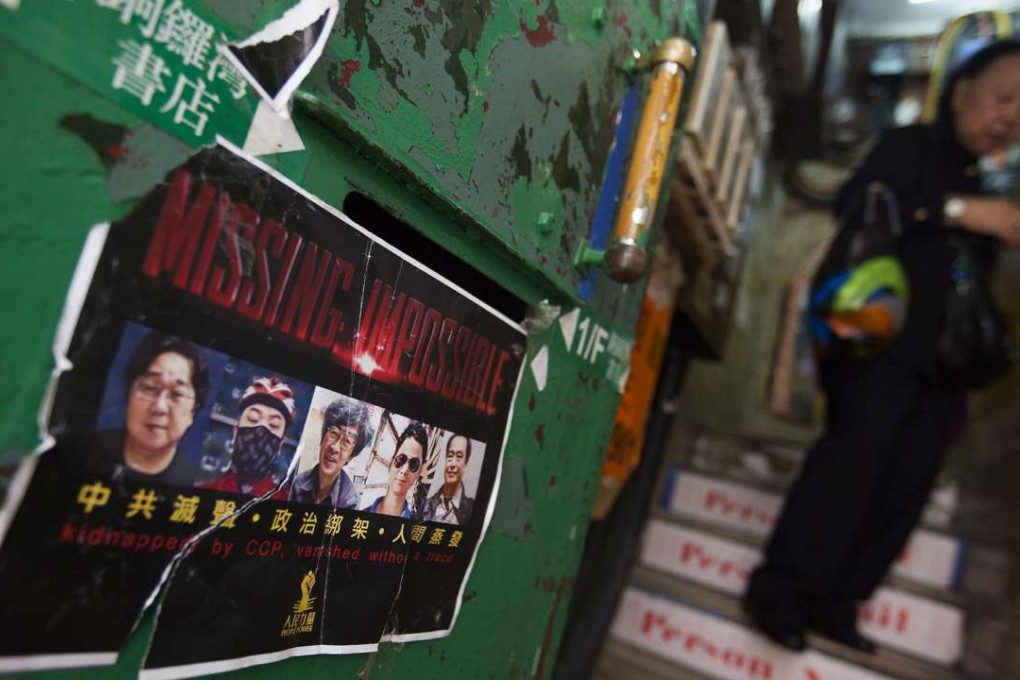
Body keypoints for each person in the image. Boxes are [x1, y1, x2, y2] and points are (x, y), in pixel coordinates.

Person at [744, 40, 1020, 654]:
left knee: (906, 485)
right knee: (850, 464)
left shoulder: (993, 180)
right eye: (1003, 97)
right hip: (878, 345)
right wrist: (958, 211)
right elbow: (857, 203)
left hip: (943, 369)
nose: (1009, 117)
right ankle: (780, 591)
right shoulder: (911, 146)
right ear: (960, 93)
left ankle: (838, 603)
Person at [89, 330, 209, 485]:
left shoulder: (195, 482)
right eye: (150, 388)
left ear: (193, 411)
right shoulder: (87, 450)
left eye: (177, 394)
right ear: (128, 394)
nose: (160, 407)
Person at [202, 376, 297, 496]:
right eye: (253, 418)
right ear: (235, 432)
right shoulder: (206, 490)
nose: (261, 429)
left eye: (274, 424)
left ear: (280, 444)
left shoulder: (285, 499)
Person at [288, 396, 371, 508]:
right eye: (333, 433)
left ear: (351, 456)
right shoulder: (298, 482)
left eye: (347, 441)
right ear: (323, 438)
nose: (335, 448)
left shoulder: (350, 501)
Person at [366, 421, 427, 518]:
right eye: (401, 460)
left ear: (420, 471)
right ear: (391, 462)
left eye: (414, 464)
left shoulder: (413, 530)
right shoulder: (360, 515)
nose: (404, 470)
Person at [422, 433, 475, 525]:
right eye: (450, 456)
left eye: (459, 457)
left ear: (466, 464)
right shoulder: (427, 504)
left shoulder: (471, 509)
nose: (452, 464)